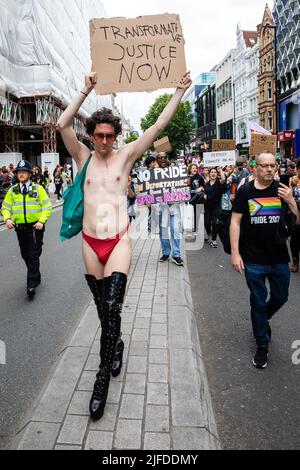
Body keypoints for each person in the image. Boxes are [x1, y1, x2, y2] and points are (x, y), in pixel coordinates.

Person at [57, 70, 192, 421]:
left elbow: (157, 128)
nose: (103, 140)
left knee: (113, 304)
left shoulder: (126, 156)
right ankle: (115, 342)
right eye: (98, 135)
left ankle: (101, 378)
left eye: (109, 135)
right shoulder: (82, 156)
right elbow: (61, 124)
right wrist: (85, 89)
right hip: (90, 243)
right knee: (105, 311)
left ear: (116, 136)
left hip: (118, 241)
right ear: (92, 135)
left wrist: (178, 91)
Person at [230, 152, 300, 369]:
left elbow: (298, 220)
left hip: (279, 257)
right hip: (253, 259)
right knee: (258, 301)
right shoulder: (245, 192)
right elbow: (235, 222)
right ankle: (262, 346)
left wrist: (291, 201)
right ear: (255, 168)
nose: (270, 169)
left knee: (281, 297)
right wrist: (235, 254)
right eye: (265, 165)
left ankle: (261, 319)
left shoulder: (282, 190)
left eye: (273, 165)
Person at [1, 160, 52, 298]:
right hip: (21, 229)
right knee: (25, 255)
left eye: (24, 172)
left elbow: (47, 207)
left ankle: (31, 285)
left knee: (34, 255)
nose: (21, 174)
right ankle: (36, 275)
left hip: (36, 227)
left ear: (29, 174)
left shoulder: (38, 188)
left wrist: (42, 221)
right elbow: (5, 207)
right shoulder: (13, 190)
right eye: (19, 172)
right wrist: (7, 219)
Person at [203, 167, 226, 247]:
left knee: (215, 223)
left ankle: (214, 240)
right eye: (212, 172)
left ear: (217, 174)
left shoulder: (219, 182)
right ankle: (209, 233)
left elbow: (223, 178)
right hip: (207, 206)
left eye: (215, 172)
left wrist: (220, 170)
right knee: (206, 223)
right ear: (209, 174)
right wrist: (204, 195)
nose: (213, 173)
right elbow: (205, 192)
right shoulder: (207, 184)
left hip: (216, 206)